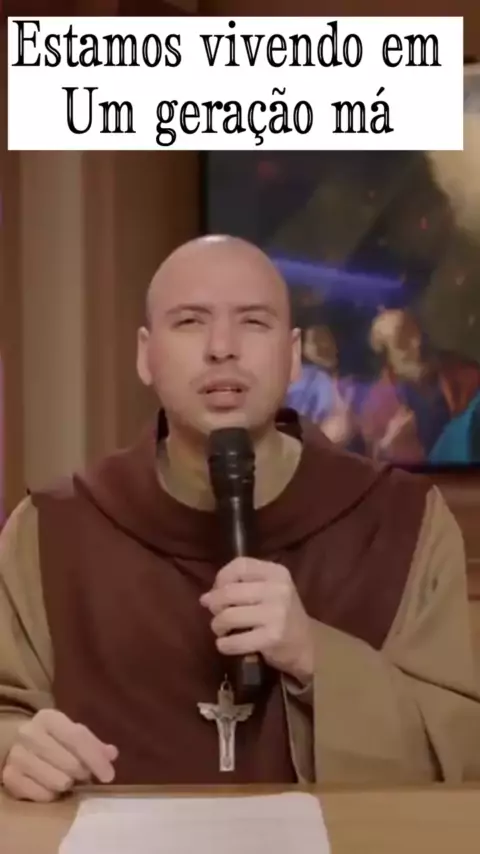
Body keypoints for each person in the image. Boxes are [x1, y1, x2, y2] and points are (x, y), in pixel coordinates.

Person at [1, 235, 480, 804]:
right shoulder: (52, 529)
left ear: (294, 355)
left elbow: (462, 750)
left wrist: (316, 657)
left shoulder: (403, 522)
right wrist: (13, 747)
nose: (222, 348)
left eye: (253, 321)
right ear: (145, 355)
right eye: (190, 321)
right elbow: (7, 714)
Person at [360, 308, 480, 464]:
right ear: (387, 357)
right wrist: (388, 447)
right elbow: (375, 466)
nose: (417, 343)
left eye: (417, 331)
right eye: (403, 342)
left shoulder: (458, 368)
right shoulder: (377, 408)